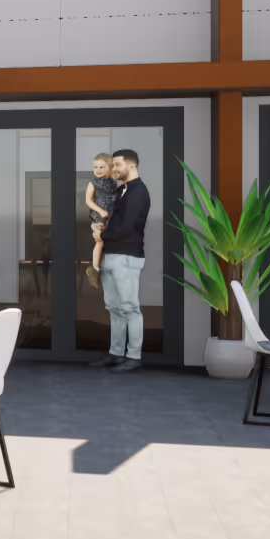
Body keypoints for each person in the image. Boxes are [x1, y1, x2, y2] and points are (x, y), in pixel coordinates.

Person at [92, 148, 150, 373]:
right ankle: (116, 353)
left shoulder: (138, 193)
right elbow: (119, 225)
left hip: (127, 256)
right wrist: (104, 230)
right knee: (114, 307)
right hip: (113, 255)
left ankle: (134, 356)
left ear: (132, 165)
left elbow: (127, 228)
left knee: (129, 308)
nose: (113, 169)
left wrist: (102, 235)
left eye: (117, 165)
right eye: (113, 165)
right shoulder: (123, 191)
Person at [85, 153, 118, 291]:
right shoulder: (93, 183)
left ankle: (105, 268)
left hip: (110, 217)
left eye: (101, 167)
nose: (97, 170)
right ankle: (94, 269)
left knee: (109, 241)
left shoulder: (113, 183)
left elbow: (115, 198)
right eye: (95, 167)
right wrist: (100, 211)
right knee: (100, 241)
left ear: (110, 168)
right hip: (98, 217)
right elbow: (88, 201)